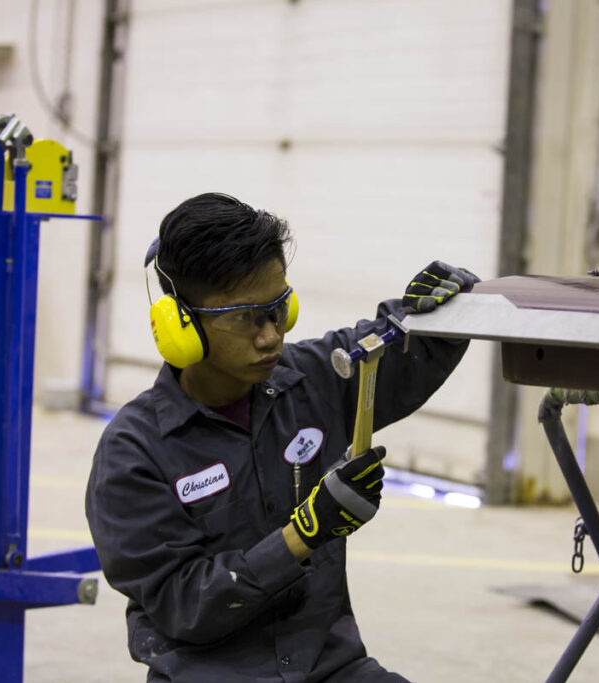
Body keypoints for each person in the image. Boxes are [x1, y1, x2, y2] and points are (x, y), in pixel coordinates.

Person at [85, 192, 478, 682]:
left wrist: (442, 309)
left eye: (277, 309)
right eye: (244, 317)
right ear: (180, 325)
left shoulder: (314, 378)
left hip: (331, 670)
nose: (270, 336)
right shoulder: (135, 452)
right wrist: (304, 533)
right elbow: (185, 607)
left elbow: (394, 348)